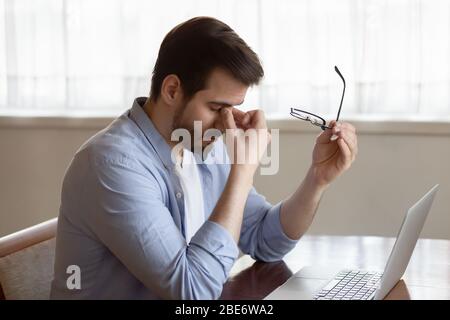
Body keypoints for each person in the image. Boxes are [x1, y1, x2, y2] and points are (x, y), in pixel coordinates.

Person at [50, 16, 357, 299]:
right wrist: (242, 170)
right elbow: (192, 290)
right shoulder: (112, 165)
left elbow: (267, 240)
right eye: (216, 107)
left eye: (233, 107)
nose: (227, 122)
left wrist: (317, 179)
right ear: (172, 90)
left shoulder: (202, 144)